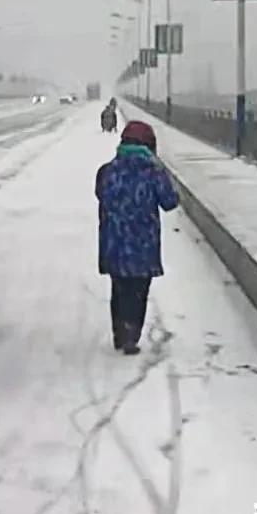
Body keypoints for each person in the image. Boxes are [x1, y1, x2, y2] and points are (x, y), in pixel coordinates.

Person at [95, 120, 178, 355]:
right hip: (143, 245)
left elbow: (100, 194)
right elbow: (170, 202)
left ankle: (119, 334)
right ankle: (131, 335)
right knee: (138, 291)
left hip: (113, 243)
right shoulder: (153, 173)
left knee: (119, 289)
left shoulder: (107, 171)